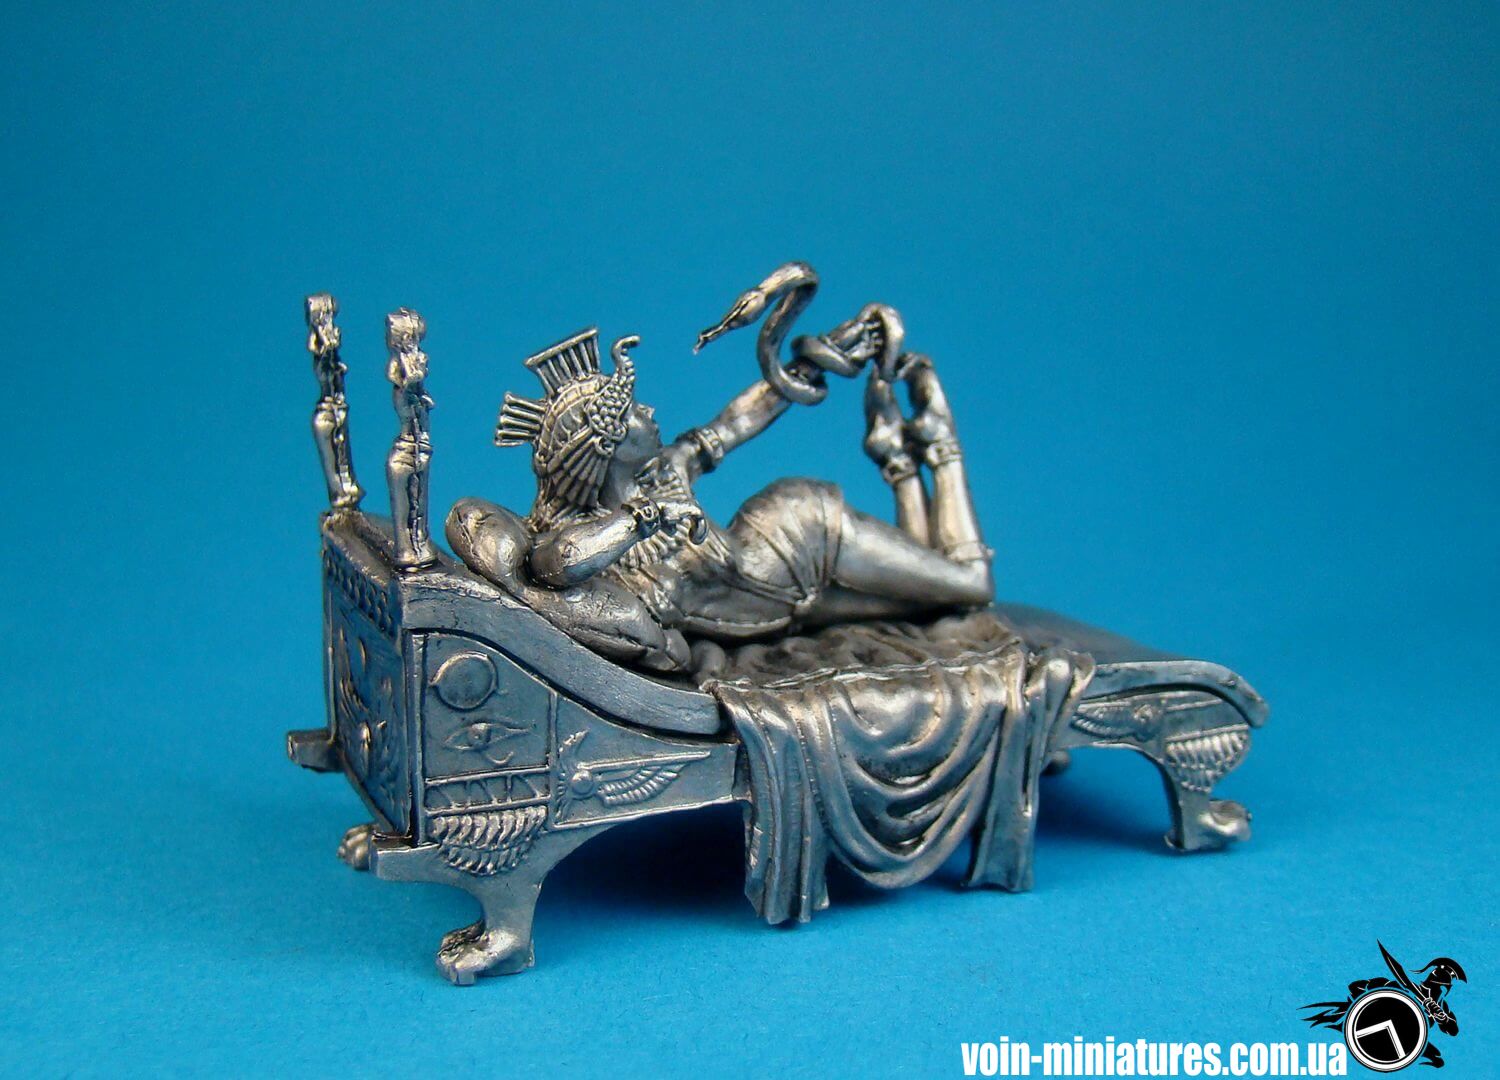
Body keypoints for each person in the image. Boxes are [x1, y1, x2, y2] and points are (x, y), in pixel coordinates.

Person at [449, 270, 992, 675]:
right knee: (938, 603)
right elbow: (555, 563)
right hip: (784, 608)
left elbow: (737, 421)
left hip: (802, 539)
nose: (649, 411)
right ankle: (897, 455)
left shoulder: (668, 469)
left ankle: (939, 447)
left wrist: (820, 357)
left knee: (970, 584)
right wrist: (642, 518)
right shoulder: (609, 548)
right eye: (633, 410)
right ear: (607, 443)